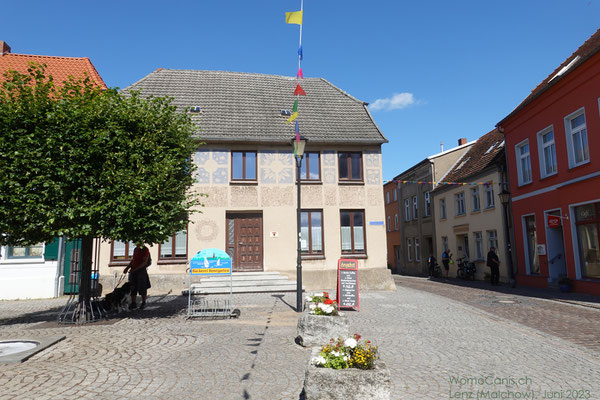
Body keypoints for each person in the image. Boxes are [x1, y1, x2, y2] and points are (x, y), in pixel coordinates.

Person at [123, 243, 151, 309]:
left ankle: (143, 302)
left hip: (141, 271)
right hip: (133, 271)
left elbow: (144, 262)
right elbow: (133, 260)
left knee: (142, 287)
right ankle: (133, 303)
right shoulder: (135, 249)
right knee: (132, 286)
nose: (135, 243)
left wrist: (135, 269)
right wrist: (127, 268)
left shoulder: (145, 249)